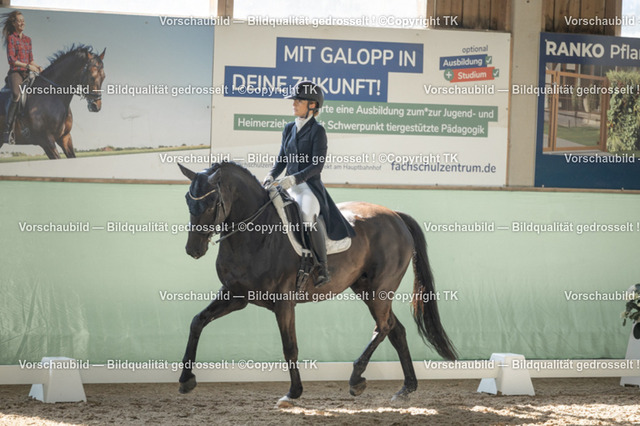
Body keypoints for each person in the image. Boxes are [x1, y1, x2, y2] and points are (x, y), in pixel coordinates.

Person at [264, 81, 355, 287]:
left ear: (312, 105)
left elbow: (317, 166)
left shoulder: (317, 131)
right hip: (287, 186)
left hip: (308, 187)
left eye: (299, 101)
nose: (294, 104)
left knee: (307, 216)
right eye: (294, 100)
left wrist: (294, 179)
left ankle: (322, 267)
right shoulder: (289, 128)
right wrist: (271, 175)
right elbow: (282, 160)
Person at [1, 10, 42, 144]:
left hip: (27, 73)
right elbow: (12, 60)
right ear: (14, 23)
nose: (22, 23)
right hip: (16, 73)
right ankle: (7, 130)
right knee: (16, 94)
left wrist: (38, 67)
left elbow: (31, 60)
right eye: (19, 21)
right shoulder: (11, 38)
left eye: (23, 20)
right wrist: (28, 66)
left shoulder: (28, 40)